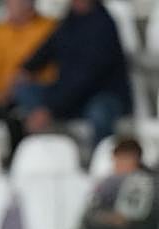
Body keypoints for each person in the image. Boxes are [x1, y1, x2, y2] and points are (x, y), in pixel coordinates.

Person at [16, 0, 132, 145]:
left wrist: (51, 108)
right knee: (25, 90)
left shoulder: (103, 25)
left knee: (100, 113)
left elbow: (87, 78)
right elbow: (48, 48)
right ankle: (48, 143)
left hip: (101, 94)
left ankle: (98, 156)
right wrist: (26, 69)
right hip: (67, 94)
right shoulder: (69, 22)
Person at [59, 137, 158, 229]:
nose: (116, 163)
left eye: (120, 158)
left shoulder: (146, 180)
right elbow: (92, 209)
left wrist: (116, 219)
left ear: (133, 158)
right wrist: (107, 218)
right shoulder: (109, 181)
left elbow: (135, 215)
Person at [0, 0, 55, 133]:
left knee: (16, 117)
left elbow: (51, 71)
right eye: (9, 4)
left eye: (18, 4)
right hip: (0, 96)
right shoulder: (0, 30)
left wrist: (17, 87)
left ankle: (17, 152)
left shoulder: (48, 28)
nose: (11, 8)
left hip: (30, 93)